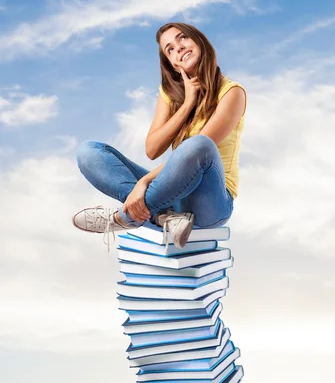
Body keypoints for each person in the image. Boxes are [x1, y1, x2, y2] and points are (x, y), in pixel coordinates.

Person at [72, 22, 247, 250]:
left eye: (182, 39)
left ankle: (124, 217)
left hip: (212, 203)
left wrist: (143, 183)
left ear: (199, 41)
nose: (179, 48)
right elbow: (152, 149)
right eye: (170, 49)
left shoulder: (232, 92)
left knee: (199, 145)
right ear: (173, 65)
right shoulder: (169, 94)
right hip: (174, 195)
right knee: (89, 152)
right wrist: (187, 104)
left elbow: (202, 148)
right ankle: (164, 217)